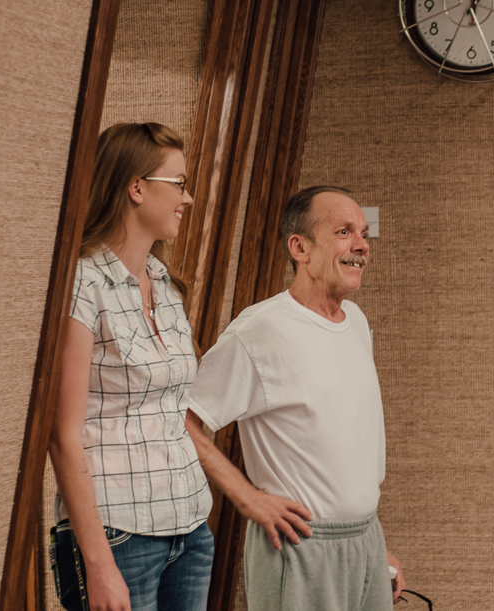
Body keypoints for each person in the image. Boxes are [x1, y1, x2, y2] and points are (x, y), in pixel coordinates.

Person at [184, 185, 405, 611]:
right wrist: (247, 496)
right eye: (344, 232)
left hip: (364, 541)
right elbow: (180, 420)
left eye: (363, 233)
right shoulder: (259, 331)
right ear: (300, 248)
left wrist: (372, 547)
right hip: (300, 546)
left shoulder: (356, 321)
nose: (361, 245)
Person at [49, 122, 214, 611]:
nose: (188, 198)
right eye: (179, 184)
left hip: (191, 527)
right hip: (119, 533)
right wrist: (97, 564)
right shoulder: (82, 282)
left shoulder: (166, 285)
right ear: (136, 187)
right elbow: (63, 436)